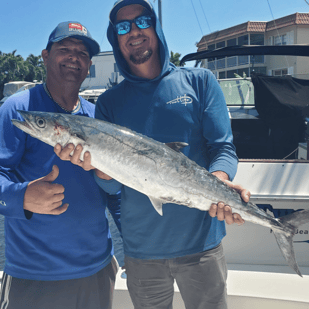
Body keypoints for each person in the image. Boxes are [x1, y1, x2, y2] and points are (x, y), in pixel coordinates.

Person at [55, 1, 250, 308]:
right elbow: (112, 186)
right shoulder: (109, 103)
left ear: (156, 26)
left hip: (202, 243)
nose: (133, 31)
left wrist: (220, 181)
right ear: (115, 38)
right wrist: (99, 167)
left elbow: (222, 148)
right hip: (142, 251)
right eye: (122, 27)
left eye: (141, 21)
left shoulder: (199, 82)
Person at [0, 21, 120, 309]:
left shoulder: (99, 116)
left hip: (98, 268)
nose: (73, 57)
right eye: (64, 49)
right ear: (45, 56)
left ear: (89, 64)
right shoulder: (17, 109)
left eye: (82, 53)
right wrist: (22, 196)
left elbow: (114, 191)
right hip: (35, 276)